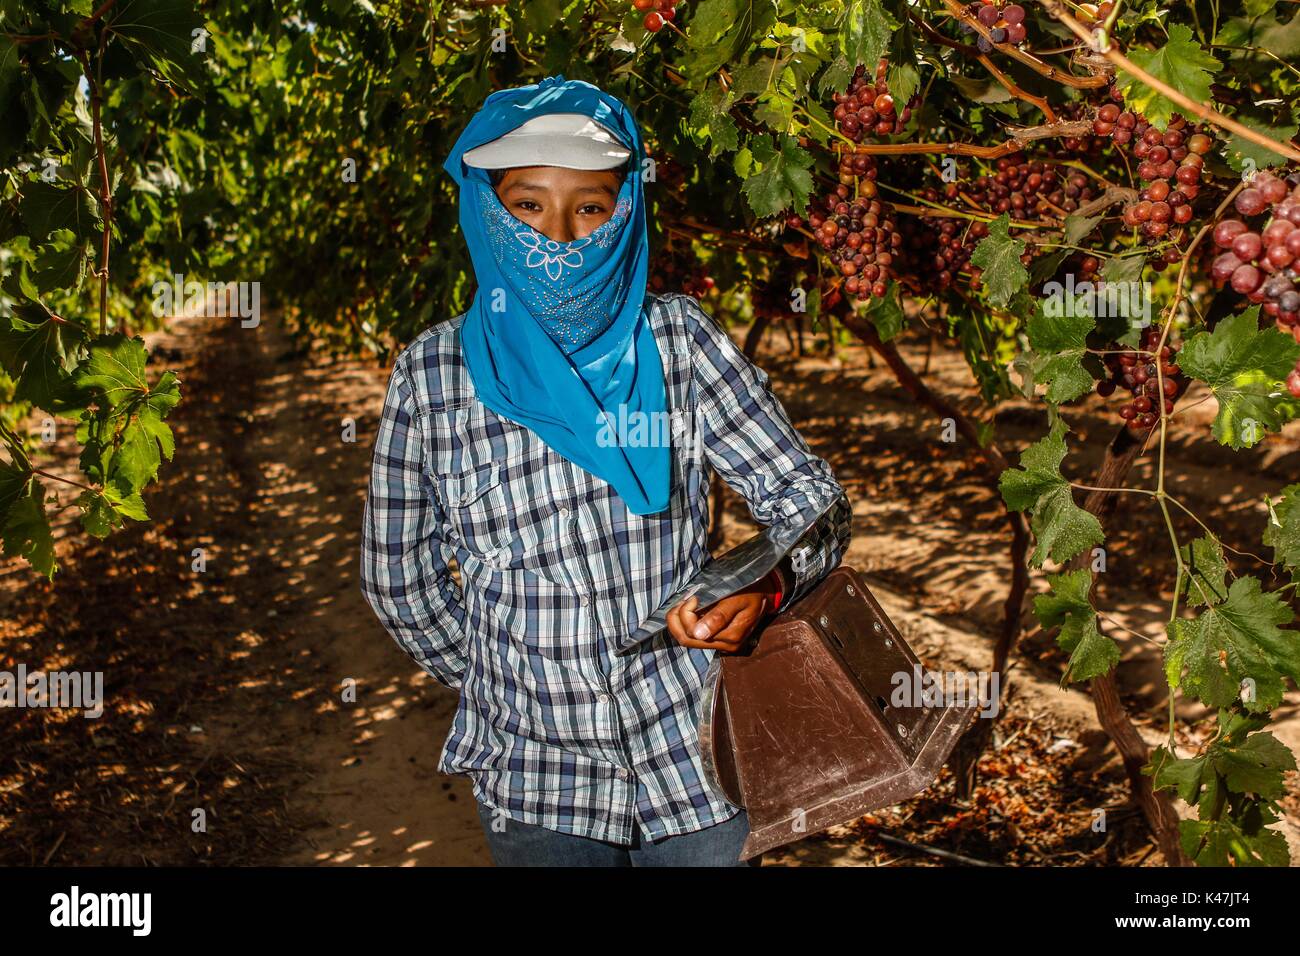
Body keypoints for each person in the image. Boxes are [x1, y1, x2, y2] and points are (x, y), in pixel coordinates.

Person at [360, 74, 852, 867]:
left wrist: (762, 589)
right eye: (528, 205)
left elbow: (810, 502)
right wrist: (501, 682)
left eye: (589, 207)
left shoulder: (680, 344)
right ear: (486, 210)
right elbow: (398, 579)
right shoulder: (434, 373)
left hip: (695, 759)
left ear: (625, 213)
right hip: (535, 780)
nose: (559, 236)